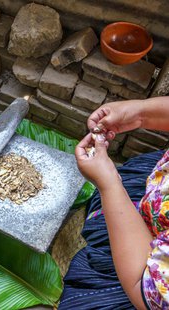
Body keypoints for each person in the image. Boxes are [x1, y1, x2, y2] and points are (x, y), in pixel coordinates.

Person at [59, 97, 169, 309]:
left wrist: (109, 184)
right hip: (156, 191)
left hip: (145, 279)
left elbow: (144, 286)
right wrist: (139, 113)